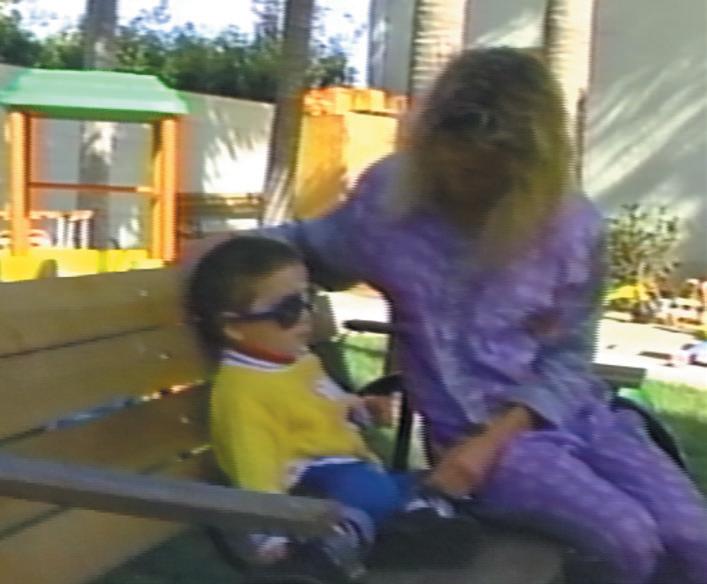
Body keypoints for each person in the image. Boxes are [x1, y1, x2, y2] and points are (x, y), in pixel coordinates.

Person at [192, 48, 707, 583]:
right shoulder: (391, 200)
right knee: (629, 540)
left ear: (533, 169)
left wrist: (496, 439)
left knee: (694, 535)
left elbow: (570, 356)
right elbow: (313, 246)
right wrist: (217, 249)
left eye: (488, 177)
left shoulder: (573, 228)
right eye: (455, 169)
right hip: (471, 440)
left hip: (573, 415)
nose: (465, 190)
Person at [187, 235, 479, 583]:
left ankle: (416, 523)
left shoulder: (297, 361)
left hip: (348, 470)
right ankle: (325, 555)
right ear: (234, 326)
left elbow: (328, 407)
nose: (305, 316)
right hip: (308, 486)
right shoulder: (242, 392)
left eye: (307, 300)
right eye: (288, 310)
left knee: (416, 483)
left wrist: (362, 409)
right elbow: (252, 467)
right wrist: (269, 538)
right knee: (366, 495)